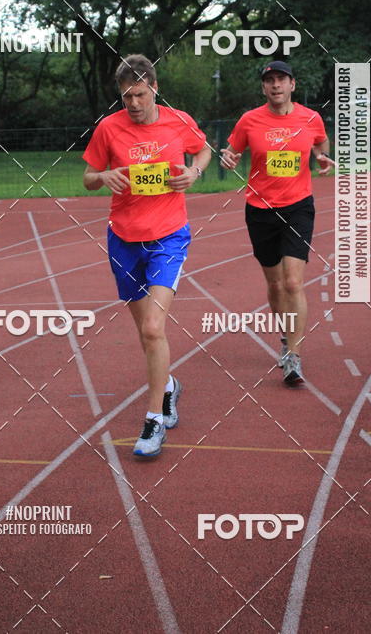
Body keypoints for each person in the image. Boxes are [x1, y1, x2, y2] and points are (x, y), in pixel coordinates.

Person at [82, 54, 211, 459]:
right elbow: (87, 177)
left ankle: (154, 418)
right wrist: (103, 177)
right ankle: (169, 386)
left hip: (168, 236)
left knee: (154, 328)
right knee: (145, 332)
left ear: (153, 88)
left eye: (139, 94)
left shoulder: (179, 121)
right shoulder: (108, 128)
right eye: (125, 97)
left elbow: (204, 149)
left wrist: (195, 172)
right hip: (123, 238)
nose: (133, 103)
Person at [220, 61, 335, 385]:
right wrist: (227, 160)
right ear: (263, 88)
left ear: (292, 85)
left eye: (281, 79)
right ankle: (286, 335)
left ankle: (293, 355)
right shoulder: (249, 120)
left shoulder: (310, 118)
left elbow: (320, 143)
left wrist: (322, 157)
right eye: (269, 81)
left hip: (299, 206)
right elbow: (231, 154)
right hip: (260, 210)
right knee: (274, 284)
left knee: (293, 282)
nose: (275, 85)